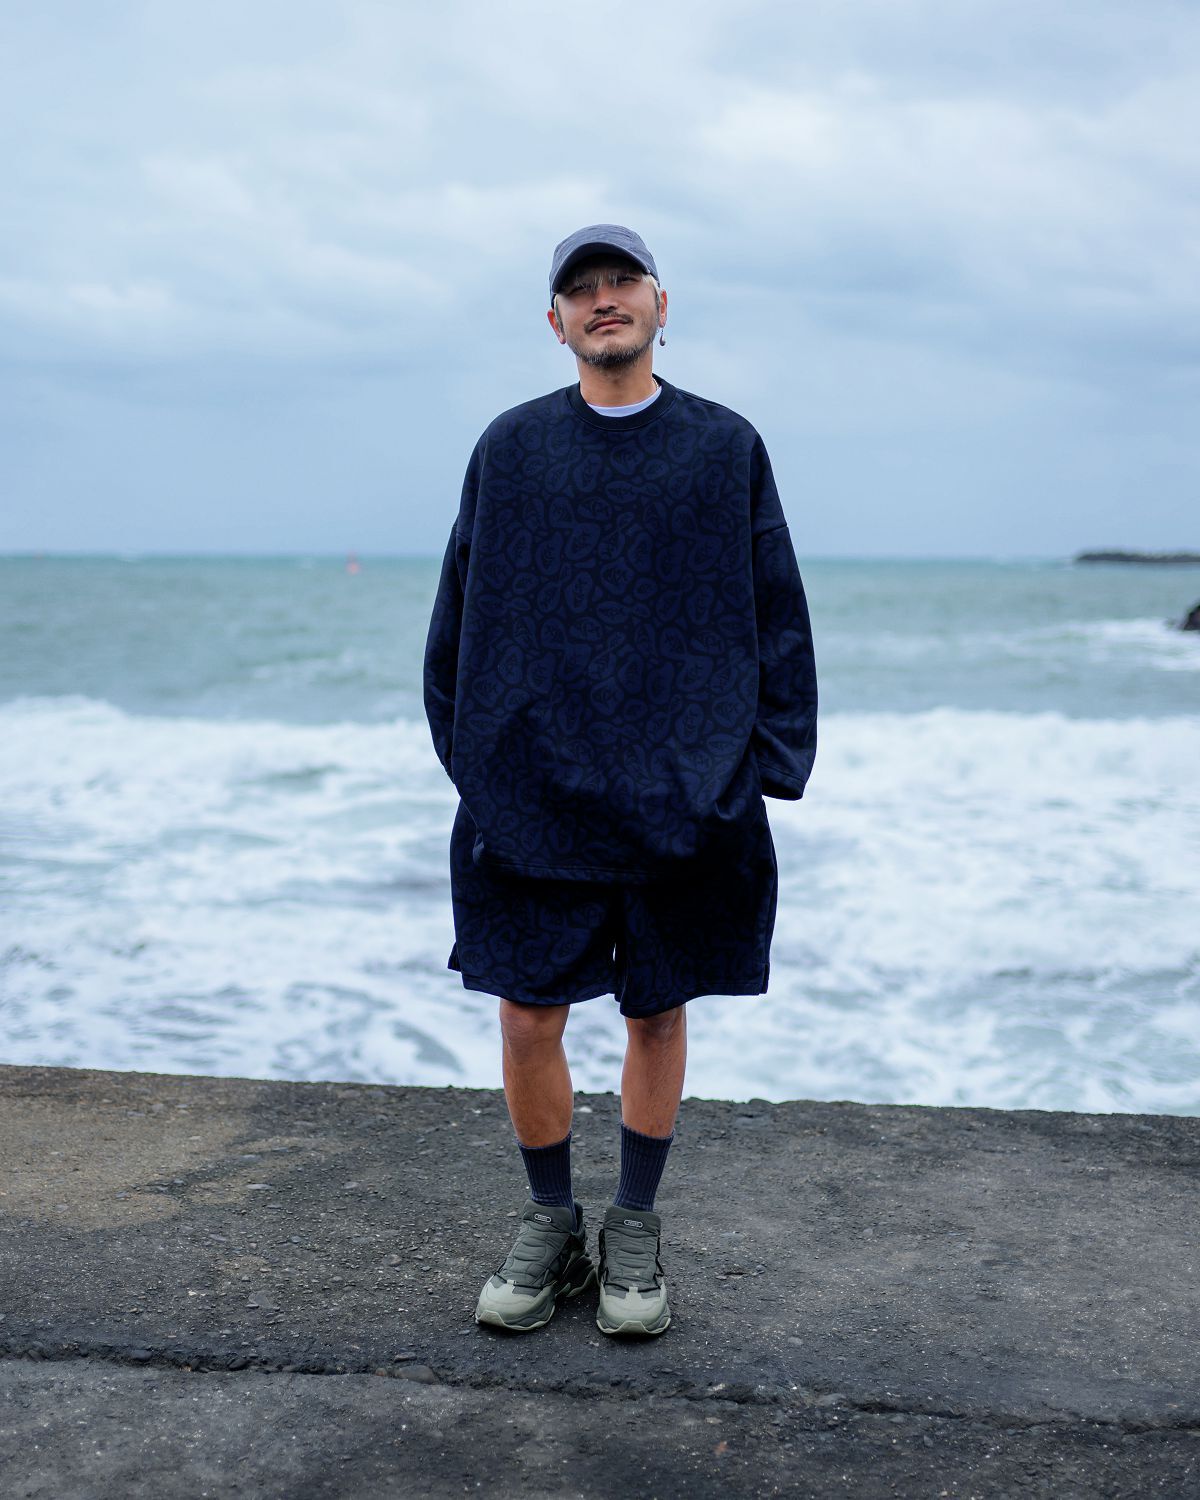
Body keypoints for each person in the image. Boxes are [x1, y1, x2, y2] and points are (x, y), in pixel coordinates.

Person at [423, 223, 817, 1338]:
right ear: (556, 323)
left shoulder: (723, 447)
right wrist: (474, 761)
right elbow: (458, 612)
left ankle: (633, 1227)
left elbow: (776, 607)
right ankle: (552, 1223)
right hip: (533, 792)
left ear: (659, 304)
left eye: (622, 281)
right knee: (525, 1014)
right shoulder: (511, 448)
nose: (604, 299)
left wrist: (766, 766)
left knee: (657, 1010)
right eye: (581, 289)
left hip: (680, 793)